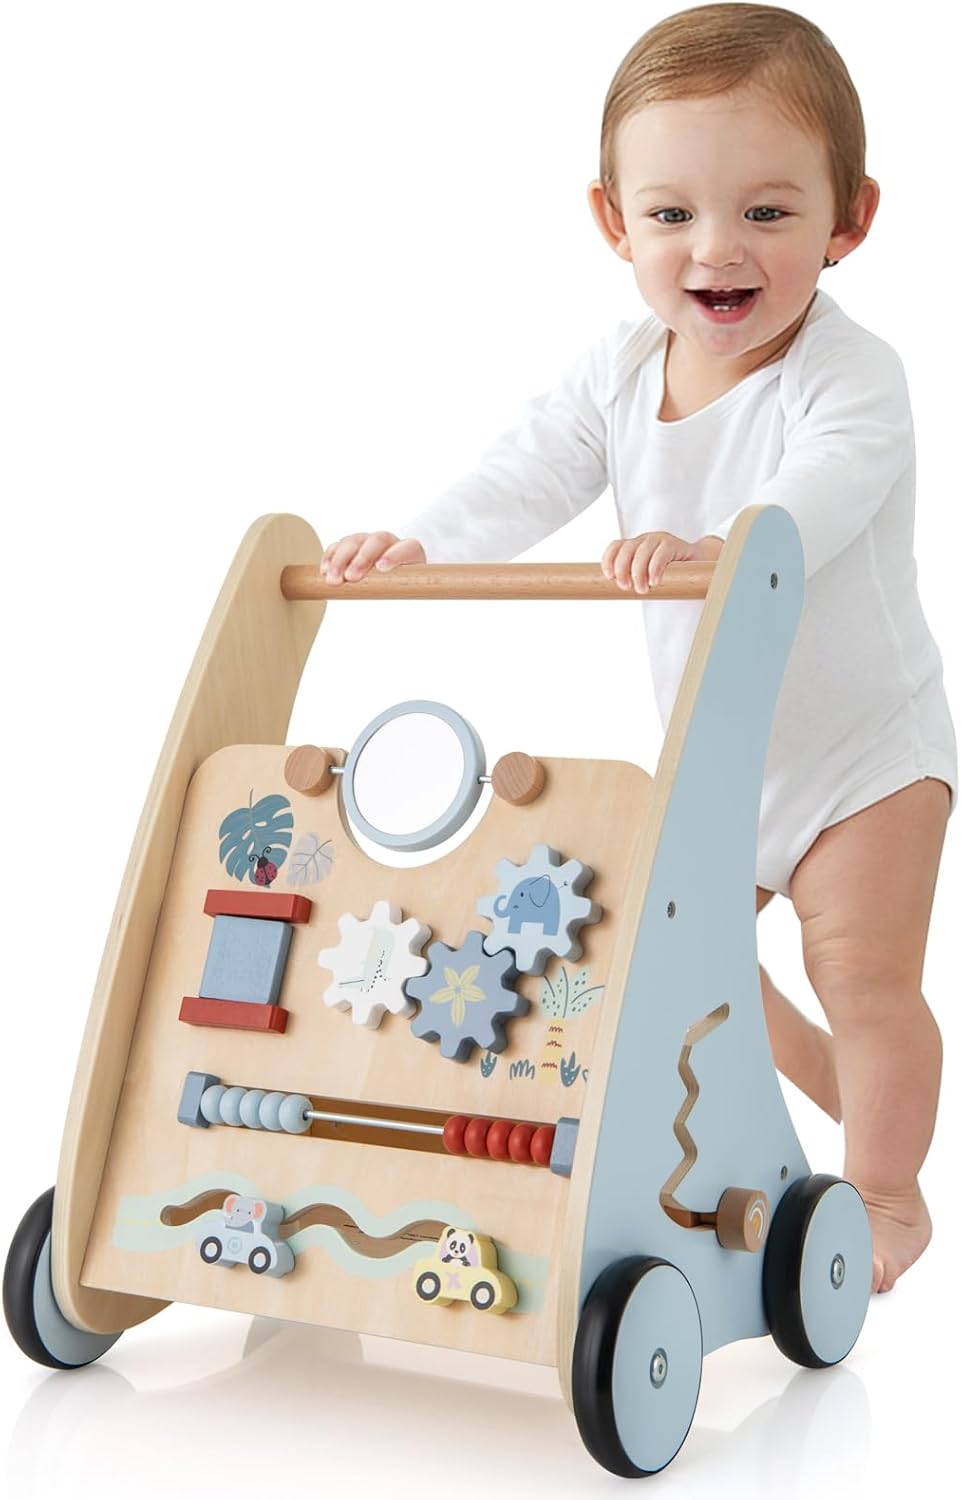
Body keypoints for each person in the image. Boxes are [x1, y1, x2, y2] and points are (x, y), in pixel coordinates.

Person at [318, 3, 957, 1294]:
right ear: (615, 223)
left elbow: (823, 491)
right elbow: (523, 472)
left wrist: (719, 542)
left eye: (767, 212)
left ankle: (886, 1195)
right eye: (673, 214)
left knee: (858, 970)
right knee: (672, 957)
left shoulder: (850, 375)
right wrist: (425, 544)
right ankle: (828, 1087)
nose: (717, 248)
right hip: (722, 751)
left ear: (849, 220)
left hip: (865, 757)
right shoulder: (615, 373)